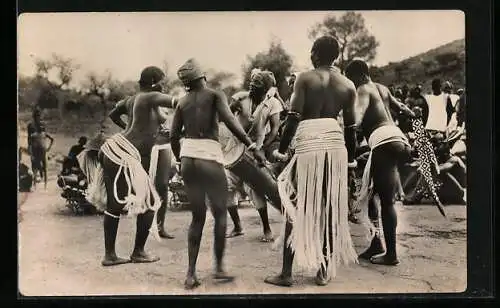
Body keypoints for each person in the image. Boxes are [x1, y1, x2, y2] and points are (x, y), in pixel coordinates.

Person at [265, 36, 358, 287]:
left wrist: (282, 151)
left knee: (294, 206)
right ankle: (324, 270)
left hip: (309, 143)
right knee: (329, 207)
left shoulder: (305, 78)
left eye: (311, 51)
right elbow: (350, 128)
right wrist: (351, 161)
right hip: (336, 145)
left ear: (316, 53)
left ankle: (286, 274)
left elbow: (294, 116)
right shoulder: (348, 84)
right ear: (336, 56)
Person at [170, 58, 257, 290]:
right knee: (220, 214)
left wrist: (180, 159)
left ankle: (190, 274)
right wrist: (250, 144)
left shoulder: (182, 102)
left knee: (197, 217)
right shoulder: (215, 95)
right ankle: (218, 269)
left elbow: (172, 136)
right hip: (209, 155)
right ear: (203, 76)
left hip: (189, 157)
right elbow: (230, 121)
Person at [88, 66, 178, 267]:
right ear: (155, 81)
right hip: (123, 153)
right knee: (151, 202)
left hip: (115, 148)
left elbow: (113, 114)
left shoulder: (134, 99)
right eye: (162, 81)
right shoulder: (151, 96)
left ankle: (110, 255)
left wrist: (129, 130)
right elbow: (179, 103)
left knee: (115, 205)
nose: (164, 85)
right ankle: (138, 252)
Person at [344, 59, 415, 266]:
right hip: (399, 139)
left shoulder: (363, 90)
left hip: (383, 140)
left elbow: (356, 121)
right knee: (373, 194)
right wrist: (413, 115)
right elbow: (402, 107)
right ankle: (377, 243)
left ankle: (391, 254)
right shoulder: (382, 88)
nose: (351, 84)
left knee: (385, 201)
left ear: (358, 75)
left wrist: (345, 130)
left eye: (351, 79)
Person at [222, 68, 283, 242]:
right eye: (251, 83)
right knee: (227, 186)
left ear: (265, 88)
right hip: (233, 150)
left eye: (256, 85)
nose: (252, 87)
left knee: (255, 189)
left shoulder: (272, 104)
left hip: (255, 151)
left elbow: (274, 130)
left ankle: (266, 228)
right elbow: (226, 116)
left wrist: (263, 147)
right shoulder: (241, 98)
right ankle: (237, 226)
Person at [108, 94, 176, 239]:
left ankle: (159, 226)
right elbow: (113, 115)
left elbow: (113, 115)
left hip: (164, 145)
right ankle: (146, 231)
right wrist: (128, 128)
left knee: (162, 186)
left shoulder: (137, 100)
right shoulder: (137, 101)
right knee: (147, 187)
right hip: (149, 147)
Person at [27, 108, 54, 189]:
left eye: (38, 116)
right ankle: (35, 184)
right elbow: (29, 138)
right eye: (36, 116)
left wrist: (48, 148)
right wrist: (29, 148)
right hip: (36, 149)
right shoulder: (30, 125)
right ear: (34, 116)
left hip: (42, 149)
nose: (37, 117)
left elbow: (46, 136)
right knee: (35, 166)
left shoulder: (42, 125)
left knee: (44, 167)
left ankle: (45, 186)